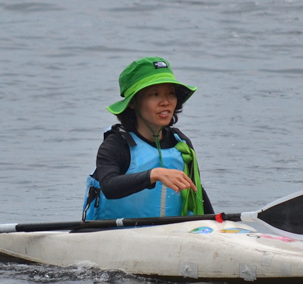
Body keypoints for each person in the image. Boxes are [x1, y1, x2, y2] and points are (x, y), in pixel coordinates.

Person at [83, 57, 213, 221]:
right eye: (154, 94)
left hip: (170, 235)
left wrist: (217, 225)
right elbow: (109, 186)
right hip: (115, 236)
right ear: (133, 103)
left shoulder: (181, 144)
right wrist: (154, 174)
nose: (165, 102)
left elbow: (197, 191)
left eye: (171, 93)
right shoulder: (116, 144)